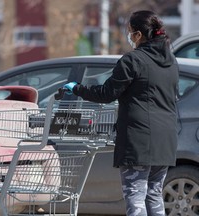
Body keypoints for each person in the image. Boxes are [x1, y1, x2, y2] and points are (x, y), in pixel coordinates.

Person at [63, 10, 179, 216]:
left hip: (139, 140)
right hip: (166, 140)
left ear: (139, 35)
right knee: (154, 194)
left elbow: (107, 93)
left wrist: (77, 88)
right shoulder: (171, 62)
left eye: (130, 32)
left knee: (135, 197)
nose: (129, 37)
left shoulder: (132, 60)